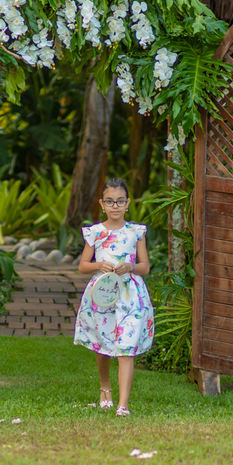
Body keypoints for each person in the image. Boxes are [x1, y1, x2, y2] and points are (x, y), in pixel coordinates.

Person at [73, 178, 155, 417]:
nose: (115, 206)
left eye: (120, 201)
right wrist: (99, 264)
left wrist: (130, 267)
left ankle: (123, 405)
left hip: (130, 295)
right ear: (102, 204)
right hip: (104, 294)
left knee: (126, 347)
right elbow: (83, 266)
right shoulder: (95, 232)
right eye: (110, 201)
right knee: (104, 344)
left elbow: (145, 267)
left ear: (127, 203)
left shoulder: (136, 232)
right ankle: (105, 388)